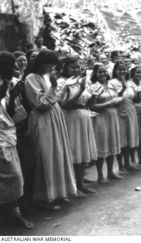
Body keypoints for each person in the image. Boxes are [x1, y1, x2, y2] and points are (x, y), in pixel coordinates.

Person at [24, 50, 77, 210]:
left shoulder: (46, 77)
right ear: (41, 63)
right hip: (43, 121)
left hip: (55, 118)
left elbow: (55, 99)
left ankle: (60, 193)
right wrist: (54, 86)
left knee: (58, 155)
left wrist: (62, 88)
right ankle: (45, 198)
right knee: (47, 156)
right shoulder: (31, 78)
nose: (51, 69)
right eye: (49, 66)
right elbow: (41, 105)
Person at [0, 51, 33, 229]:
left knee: (16, 176)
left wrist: (12, 96)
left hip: (9, 135)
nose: (14, 68)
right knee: (11, 176)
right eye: (11, 64)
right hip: (2, 138)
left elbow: (9, 112)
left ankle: (15, 214)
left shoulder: (6, 83)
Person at [57, 56, 97, 196]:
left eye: (78, 67)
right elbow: (65, 104)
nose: (76, 70)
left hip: (83, 116)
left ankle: (81, 183)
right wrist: (80, 90)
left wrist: (94, 96)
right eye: (73, 67)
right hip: (71, 117)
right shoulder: (63, 82)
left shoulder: (81, 80)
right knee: (74, 151)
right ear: (65, 68)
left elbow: (87, 102)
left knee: (82, 151)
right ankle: (73, 186)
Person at [90, 63, 123, 183]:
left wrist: (117, 101)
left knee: (112, 143)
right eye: (100, 72)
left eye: (104, 71)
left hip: (113, 117)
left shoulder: (111, 85)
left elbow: (116, 99)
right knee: (102, 145)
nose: (103, 74)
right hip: (101, 118)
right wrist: (109, 103)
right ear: (95, 74)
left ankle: (110, 172)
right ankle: (100, 175)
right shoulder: (94, 87)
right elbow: (92, 106)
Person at [109, 61, 139, 173]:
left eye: (124, 69)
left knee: (129, 137)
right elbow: (114, 100)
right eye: (120, 69)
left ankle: (127, 162)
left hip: (130, 110)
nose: (122, 72)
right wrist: (122, 88)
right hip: (119, 111)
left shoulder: (129, 83)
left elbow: (134, 98)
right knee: (121, 139)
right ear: (115, 71)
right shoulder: (112, 83)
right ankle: (120, 165)